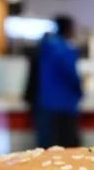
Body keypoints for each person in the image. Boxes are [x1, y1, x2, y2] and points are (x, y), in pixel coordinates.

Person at [35, 16, 83, 148]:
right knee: (66, 148)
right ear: (68, 28)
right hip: (65, 104)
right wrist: (80, 91)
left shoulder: (45, 46)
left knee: (47, 147)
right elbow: (71, 75)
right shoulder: (65, 49)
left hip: (45, 102)